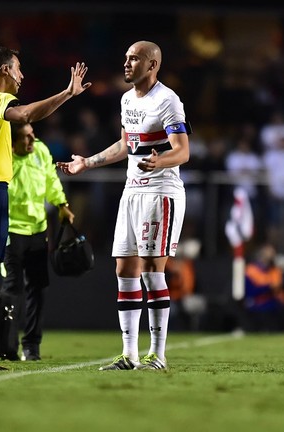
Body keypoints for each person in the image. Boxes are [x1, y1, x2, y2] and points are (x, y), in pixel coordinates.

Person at [0, 46, 91, 371]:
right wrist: (67, 93)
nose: (22, 76)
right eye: (18, 69)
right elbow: (24, 115)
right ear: (5, 71)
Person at [58, 40, 190, 371]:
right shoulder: (127, 99)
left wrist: (160, 162)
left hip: (160, 192)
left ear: (152, 65)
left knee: (150, 269)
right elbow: (125, 143)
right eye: (126, 58)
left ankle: (157, 355)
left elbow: (183, 151)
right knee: (124, 269)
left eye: (135, 59)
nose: (127, 63)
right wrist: (87, 163)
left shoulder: (168, 101)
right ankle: (129, 355)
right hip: (131, 191)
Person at [0, 122, 75, 361]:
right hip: (11, 231)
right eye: (25, 138)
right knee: (11, 290)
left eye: (32, 135)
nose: (31, 141)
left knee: (37, 288)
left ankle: (31, 346)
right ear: (12, 142)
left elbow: (51, 181)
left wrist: (61, 205)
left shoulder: (41, 151)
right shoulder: (2, 158)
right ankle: (7, 345)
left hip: (38, 230)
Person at [242, 243, 284, 332]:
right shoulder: (251, 270)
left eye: (273, 252)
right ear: (261, 254)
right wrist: (270, 287)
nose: (272, 254)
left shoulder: (276, 270)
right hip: (258, 307)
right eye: (269, 252)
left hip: (276, 307)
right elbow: (250, 292)